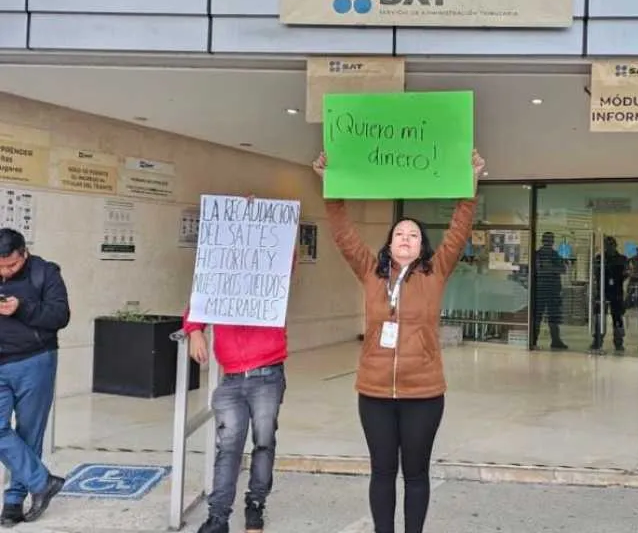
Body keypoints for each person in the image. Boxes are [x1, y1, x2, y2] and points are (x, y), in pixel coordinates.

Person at [312, 148, 485, 533]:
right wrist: (330, 188)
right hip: (374, 392)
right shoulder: (371, 274)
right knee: (382, 472)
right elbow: (343, 234)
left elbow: (459, 230)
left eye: (413, 235)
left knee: (416, 474)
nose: (405, 238)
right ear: (389, 245)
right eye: (399, 234)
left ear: (422, 246)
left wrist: (470, 185)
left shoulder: (435, 272)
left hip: (423, 393)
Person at [185, 248, 297, 533]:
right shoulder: (220, 278)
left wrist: (265, 223)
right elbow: (198, 303)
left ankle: (255, 505)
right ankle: (218, 517)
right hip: (232, 379)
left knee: (263, 442)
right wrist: (194, 329)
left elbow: (288, 256)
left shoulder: (273, 275)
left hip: (268, 375)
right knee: (229, 448)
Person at [0, 228, 70, 526]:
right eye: (0, 266)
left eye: (11, 265)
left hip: (34, 362)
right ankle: (43, 482)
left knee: (29, 434)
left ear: (24, 254)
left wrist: (22, 307)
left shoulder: (46, 273)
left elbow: (60, 316)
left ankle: (13, 502)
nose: (5, 271)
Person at [532, 232, 568, 350]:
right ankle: (533, 340)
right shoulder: (537, 255)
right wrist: (552, 269)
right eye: (547, 240)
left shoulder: (555, 255)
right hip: (540, 290)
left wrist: (548, 268)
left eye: (550, 240)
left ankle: (556, 340)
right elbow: (537, 270)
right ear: (543, 241)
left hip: (553, 291)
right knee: (537, 317)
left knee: (554, 316)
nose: (549, 242)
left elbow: (563, 269)